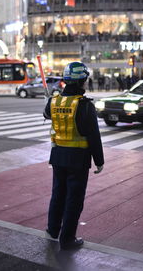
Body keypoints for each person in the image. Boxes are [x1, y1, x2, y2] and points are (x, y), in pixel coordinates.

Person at [43, 61, 104, 250]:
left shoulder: (54, 100)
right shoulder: (84, 105)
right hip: (78, 158)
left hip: (58, 156)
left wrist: (51, 100)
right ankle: (67, 239)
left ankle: (53, 230)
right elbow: (93, 135)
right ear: (81, 81)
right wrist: (99, 161)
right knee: (74, 199)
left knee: (58, 194)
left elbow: (47, 114)